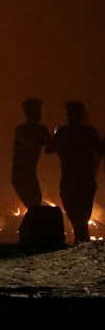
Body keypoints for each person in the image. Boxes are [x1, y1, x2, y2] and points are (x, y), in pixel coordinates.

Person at [46, 101, 103, 244]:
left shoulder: (64, 133)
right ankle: (83, 249)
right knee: (82, 220)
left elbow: (49, 149)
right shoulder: (89, 133)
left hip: (71, 182)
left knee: (78, 220)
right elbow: (102, 150)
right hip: (84, 182)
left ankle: (82, 249)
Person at [11, 98, 52, 210]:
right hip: (21, 175)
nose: (39, 114)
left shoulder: (40, 129)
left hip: (28, 174)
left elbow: (50, 148)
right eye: (36, 111)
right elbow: (31, 141)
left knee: (35, 203)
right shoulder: (22, 130)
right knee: (34, 204)